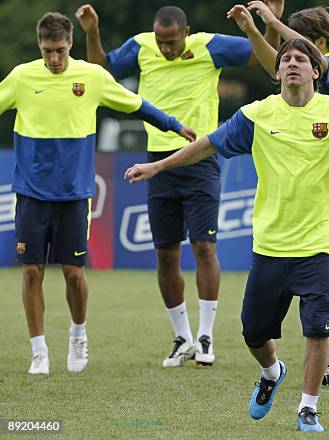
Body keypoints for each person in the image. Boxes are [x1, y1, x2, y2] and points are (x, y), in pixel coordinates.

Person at [125, 39, 329, 432]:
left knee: (319, 327)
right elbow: (209, 145)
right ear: (276, 72)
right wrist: (158, 167)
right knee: (253, 332)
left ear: (315, 71)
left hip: (322, 243)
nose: (292, 64)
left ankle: (309, 407)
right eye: (285, 59)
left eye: (301, 60)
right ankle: (272, 372)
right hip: (271, 244)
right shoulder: (255, 115)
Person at [76, 2, 283, 368]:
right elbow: (100, 71)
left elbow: (262, 57)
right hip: (156, 163)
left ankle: (205, 336)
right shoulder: (142, 46)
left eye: (172, 42)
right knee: (165, 254)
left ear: (185, 34)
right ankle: (181, 337)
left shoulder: (209, 45)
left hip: (201, 159)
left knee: (204, 249)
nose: (166, 49)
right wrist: (92, 32)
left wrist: (270, 21)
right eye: (161, 42)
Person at [0, 12, 195, 375]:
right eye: (47, 52)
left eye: (59, 51)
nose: (54, 59)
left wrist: (174, 124)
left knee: (74, 273)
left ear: (70, 44)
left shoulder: (91, 77)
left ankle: (78, 334)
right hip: (30, 193)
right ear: (38, 46)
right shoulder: (22, 77)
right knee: (31, 273)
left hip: (75, 194)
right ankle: (39, 350)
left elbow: (135, 103)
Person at [227, 2, 329, 385]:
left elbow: (297, 57)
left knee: (326, 261)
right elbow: (272, 62)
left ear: (320, 43)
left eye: (303, 43)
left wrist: (272, 21)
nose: (295, 57)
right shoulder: (299, 68)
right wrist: (254, 31)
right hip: (320, 180)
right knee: (327, 264)